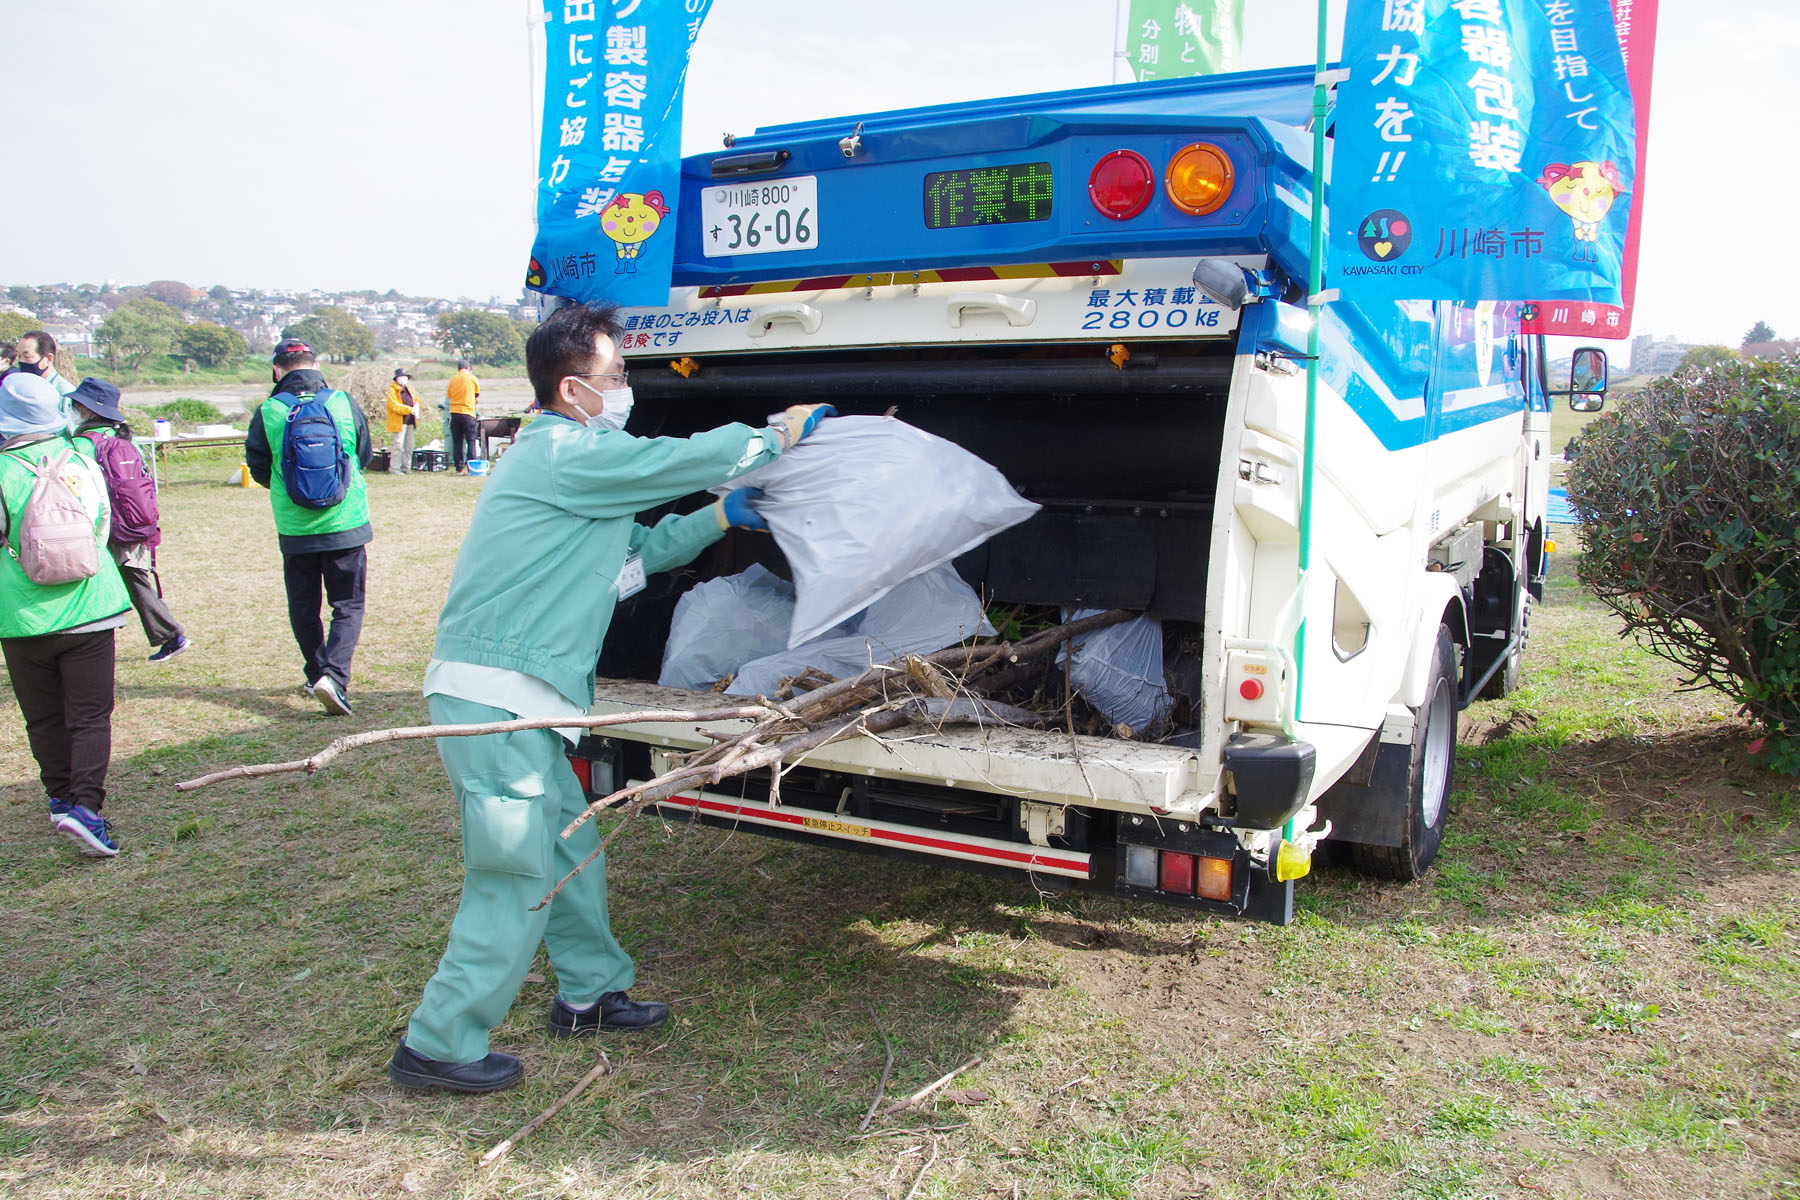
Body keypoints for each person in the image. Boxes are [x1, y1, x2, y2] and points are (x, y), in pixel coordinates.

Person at [388, 301, 834, 1093]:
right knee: (514, 875)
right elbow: (666, 460)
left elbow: (638, 555)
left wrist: (719, 517)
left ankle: (588, 994)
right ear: (570, 390)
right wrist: (773, 435)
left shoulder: (575, 467)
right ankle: (438, 1045)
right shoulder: (562, 452)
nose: (624, 387)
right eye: (615, 376)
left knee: (569, 849)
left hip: (533, 702)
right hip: (496, 704)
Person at [0, 372, 132, 857]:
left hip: (20, 617)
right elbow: (102, 525)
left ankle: (59, 798)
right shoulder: (79, 459)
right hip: (90, 607)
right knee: (91, 715)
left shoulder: (2, 470)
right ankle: (87, 810)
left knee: (42, 716)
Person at [244, 337, 374, 716]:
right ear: (317, 367)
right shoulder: (341, 402)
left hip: (295, 527)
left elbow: (259, 468)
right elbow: (362, 454)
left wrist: (291, 490)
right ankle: (334, 677)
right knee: (347, 604)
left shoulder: (268, 410)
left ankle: (316, 671)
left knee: (304, 606)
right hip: (345, 522)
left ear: (276, 371)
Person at [70, 379, 190, 662]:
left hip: (103, 528)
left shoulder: (80, 444)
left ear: (86, 410)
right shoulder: (124, 439)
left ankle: (171, 635)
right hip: (133, 524)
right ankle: (171, 636)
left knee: (118, 584)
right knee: (136, 581)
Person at [445, 358, 480, 475]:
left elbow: (449, 395)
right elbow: (476, 397)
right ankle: (472, 467)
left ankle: (459, 468)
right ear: (469, 368)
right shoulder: (473, 378)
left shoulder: (453, 379)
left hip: (454, 413)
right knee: (471, 441)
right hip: (468, 413)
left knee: (457, 441)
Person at [385, 368, 422, 474]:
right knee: (398, 445)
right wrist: (409, 409)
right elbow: (394, 406)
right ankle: (395, 468)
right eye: (401, 377)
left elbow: (416, 400)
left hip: (410, 421)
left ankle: (406, 467)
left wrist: (416, 406)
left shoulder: (409, 388)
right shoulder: (392, 390)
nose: (404, 379)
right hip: (399, 422)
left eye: (405, 377)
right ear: (396, 378)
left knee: (409, 445)